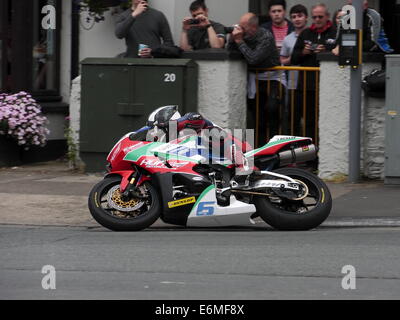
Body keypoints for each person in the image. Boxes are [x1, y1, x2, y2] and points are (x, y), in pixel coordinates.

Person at [227, 13, 282, 147]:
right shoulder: (243, 34)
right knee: (257, 116)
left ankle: (276, 147)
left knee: (272, 110)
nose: (240, 29)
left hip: (272, 78)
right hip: (254, 79)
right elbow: (230, 53)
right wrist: (232, 39)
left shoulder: (265, 36)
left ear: (253, 27)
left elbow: (253, 58)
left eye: (243, 27)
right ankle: (259, 149)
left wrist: (239, 41)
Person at [291, 3, 337, 142]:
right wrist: (304, 52)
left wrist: (326, 52)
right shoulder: (306, 33)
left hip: (328, 86)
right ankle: (310, 155)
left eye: (320, 17)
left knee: (328, 121)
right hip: (307, 86)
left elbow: (341, 55)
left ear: (327, 16)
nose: (317, 19)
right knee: (308, 121)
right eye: (314, 17)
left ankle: (324, 154)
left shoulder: (335, 32)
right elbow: (293, 58)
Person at [280, 4, 308, 136]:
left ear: (306, 18)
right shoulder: (288, 39)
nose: (297, 19)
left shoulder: (311, 35)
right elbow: (282, 60)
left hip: (310, 83)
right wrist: (295, 57)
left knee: (310, 118)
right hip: (293, 84)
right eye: (294, 17)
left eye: (300, 16)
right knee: (293, 118)